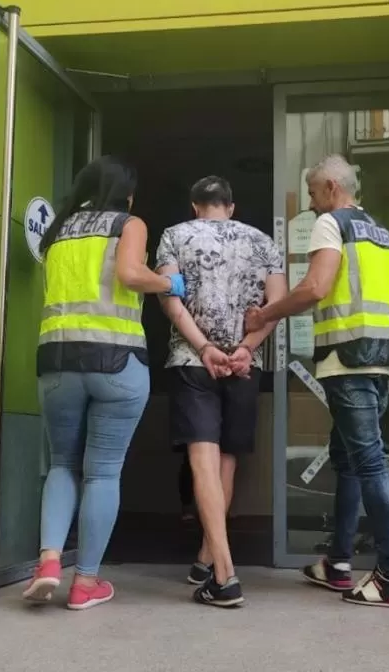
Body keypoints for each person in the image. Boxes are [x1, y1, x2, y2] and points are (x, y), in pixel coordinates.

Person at [244, 154, 389, 609]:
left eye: (313, 192)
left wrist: (265, 315)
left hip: (346, 361)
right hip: (380, 362)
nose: (310, 203)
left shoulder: (331, 224)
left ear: (332, 188)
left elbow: (315, 288)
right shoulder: (385, 236)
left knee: (370, 462)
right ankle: (338, 563)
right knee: (349, 460)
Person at [22, 156, 186, 611]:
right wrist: (167, 282)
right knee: (102, 472)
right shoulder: (128, 224)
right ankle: (86, 582)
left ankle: (49, 561)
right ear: (125, 195)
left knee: (62, 464)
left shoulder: (57, 231)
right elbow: (130, 274)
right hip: (116, 361)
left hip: (57, 362)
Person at [156, 176, 285, 608]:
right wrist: (246, 348)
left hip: (193, 360)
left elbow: (170, 302)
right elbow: (276, 305)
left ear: (196, 206)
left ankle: (224, 574)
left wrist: (204, 347)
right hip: (245, 365)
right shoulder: (263, 241)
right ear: (230, 207)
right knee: (226, 461)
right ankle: (207, 559)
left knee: (203, 461)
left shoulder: (174, 236)